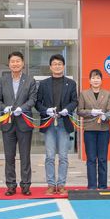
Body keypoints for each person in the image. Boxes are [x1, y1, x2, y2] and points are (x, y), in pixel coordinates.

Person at [36, 54, 78, 195]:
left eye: (60, 64)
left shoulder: (71, 83)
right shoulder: (43, 84)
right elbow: (38, 103)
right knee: (49, 156)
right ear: (50, 67)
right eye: (54, 64)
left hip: (63, 122)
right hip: (49, 122)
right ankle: (50, 184)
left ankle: (61, 184)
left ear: (63, 66)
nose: (57, 66)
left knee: (64, 156)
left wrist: (68, 109)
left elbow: (74, 101)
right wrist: (46, 110)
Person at [0, 51, 38, 196]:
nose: (15, 63)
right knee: (9, 156)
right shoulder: (3, 80)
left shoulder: (30, 80)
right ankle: (11, 185)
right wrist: (4, 108)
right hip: (8, 123)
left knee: (25, 155)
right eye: (12, 61)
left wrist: (23, 108)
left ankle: (26, 185)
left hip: (24, 122)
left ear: (23, 63)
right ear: (9, 64)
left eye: (18, 61)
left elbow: (33, 99)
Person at [77, 69, 110, 190]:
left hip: (104, 129)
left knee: (102, 158)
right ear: (89, 80)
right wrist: (91, 112)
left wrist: (105, 116)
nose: (95, 80)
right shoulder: (84, 94)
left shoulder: (107, 94)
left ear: (101, 80)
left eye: (98, 78)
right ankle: (92, 185)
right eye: (93, 78)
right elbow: (80, 111)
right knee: (91, 158)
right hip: (89, 129)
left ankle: (103, 185)